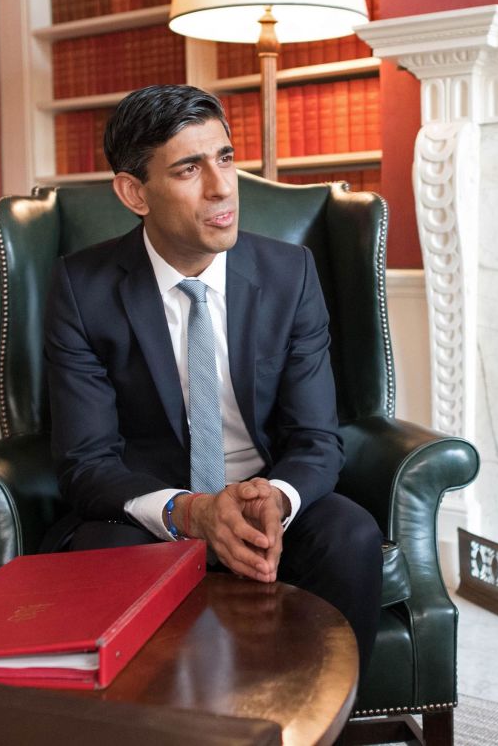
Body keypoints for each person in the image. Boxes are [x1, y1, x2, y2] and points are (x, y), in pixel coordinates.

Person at [43, 84, 381, 673]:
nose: (222, 187)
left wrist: (274, 498)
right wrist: (192, 512)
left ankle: (327, 726)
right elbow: (86, 461)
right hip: (152, 510)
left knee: (349, 535)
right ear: (133, 192)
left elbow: (315, 440)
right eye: (188, 168)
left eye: (225, 158)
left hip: (262, 495)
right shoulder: (83, 288)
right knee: (102, 553)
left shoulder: (289, 274)